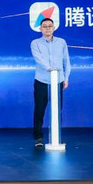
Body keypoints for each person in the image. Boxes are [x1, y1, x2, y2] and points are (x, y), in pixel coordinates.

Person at [31, 17, 71, 148]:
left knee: (57, 111)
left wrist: (66, 78)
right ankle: (38, 137)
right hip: (41, 81)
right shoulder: (35, 43)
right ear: (40, 29)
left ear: (54, 28)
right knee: (39, 110)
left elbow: (66, 61)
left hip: (58, 81)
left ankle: (56, 137)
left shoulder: (61, 42)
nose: (47, 28)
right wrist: (50, 68)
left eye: (50, 26)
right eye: (44, 26)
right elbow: (39, 59)